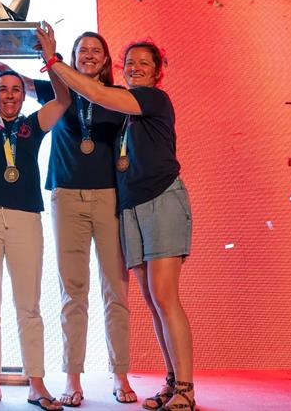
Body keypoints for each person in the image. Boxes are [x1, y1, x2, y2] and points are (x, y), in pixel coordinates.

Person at [0, 31, 136, 406]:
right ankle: (73, 378)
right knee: (73, 291)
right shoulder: (58, 89)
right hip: (65, 197)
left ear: (105, 61)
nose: (88, 55)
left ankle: (121, 375)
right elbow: (14, 82)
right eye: (82, 50)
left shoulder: (116, 98)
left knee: (115, 290)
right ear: (71, 55)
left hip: (107, 197)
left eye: (96, 51)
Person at [44, 40, 195, 411]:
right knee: (151, 299)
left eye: (145, 63)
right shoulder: (127, 108)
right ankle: (173, 381)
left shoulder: (151, 99)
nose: (136, 67)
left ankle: (187, 389)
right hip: (131, 207)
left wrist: (53, 60)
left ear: (158, 71)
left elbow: (95, 92)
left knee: (163, 296)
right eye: (132, 62)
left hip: (162, 199)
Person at [0, 24, 69, 411]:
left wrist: (50, 58)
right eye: (3, 89)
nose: (9, 94)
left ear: (24, 96)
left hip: (25, 219)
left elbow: (62, 101)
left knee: (29, 305)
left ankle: (36, 384)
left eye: (16, 90)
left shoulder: (32, 126)